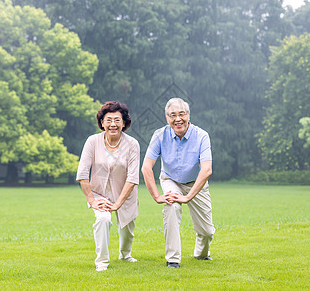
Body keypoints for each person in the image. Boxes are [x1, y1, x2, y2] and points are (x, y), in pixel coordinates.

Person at [141, 97, 215, 269]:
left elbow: (207, 170)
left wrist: (188, 196)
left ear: (188, 115)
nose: (177, 119)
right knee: (172, 206)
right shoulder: (160, 135)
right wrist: (157, 196)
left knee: (207, 231)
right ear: (167, 118)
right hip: (170, 180)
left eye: (181, 114)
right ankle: (173, 259)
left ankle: (201, 254)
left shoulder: (201, 135)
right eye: (172, 115)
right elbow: (146, 167)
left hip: (196, 183)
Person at [77, 101, 140, 272]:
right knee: (103, 220)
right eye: (109, 120)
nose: (113, 124)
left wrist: (118, 203)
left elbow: (133, 178)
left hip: (125, 195)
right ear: (102, 123)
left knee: (127, 229)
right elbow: (82, 173)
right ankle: (102, 261)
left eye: (117, 120)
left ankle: (125, 254)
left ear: (124, 123)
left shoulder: (133, 144)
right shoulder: (92, 141)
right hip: (99, 194)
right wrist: (92, 200)